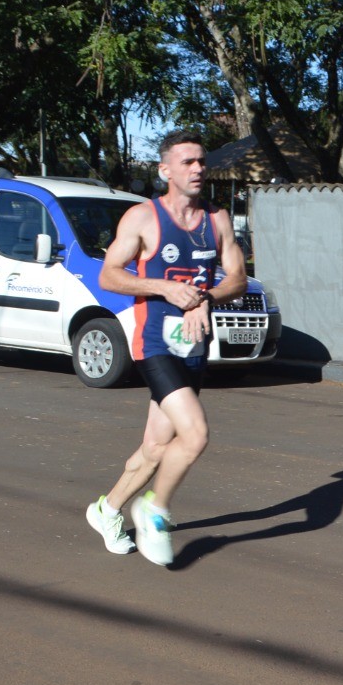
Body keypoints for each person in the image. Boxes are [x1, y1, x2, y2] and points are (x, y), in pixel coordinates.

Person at [85, 130, 247, 566]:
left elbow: (237, 278)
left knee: (157, 447)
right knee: (194, 435)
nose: (198, 169)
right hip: (153, 342)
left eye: (201, 162)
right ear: (165, 170)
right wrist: (165, 288)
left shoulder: (218, 219)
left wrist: (206, 298)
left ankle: (107, 509)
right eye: (188, 162)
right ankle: (153, 508)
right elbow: (109, 276)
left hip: (193, 344)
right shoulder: (143, 218)